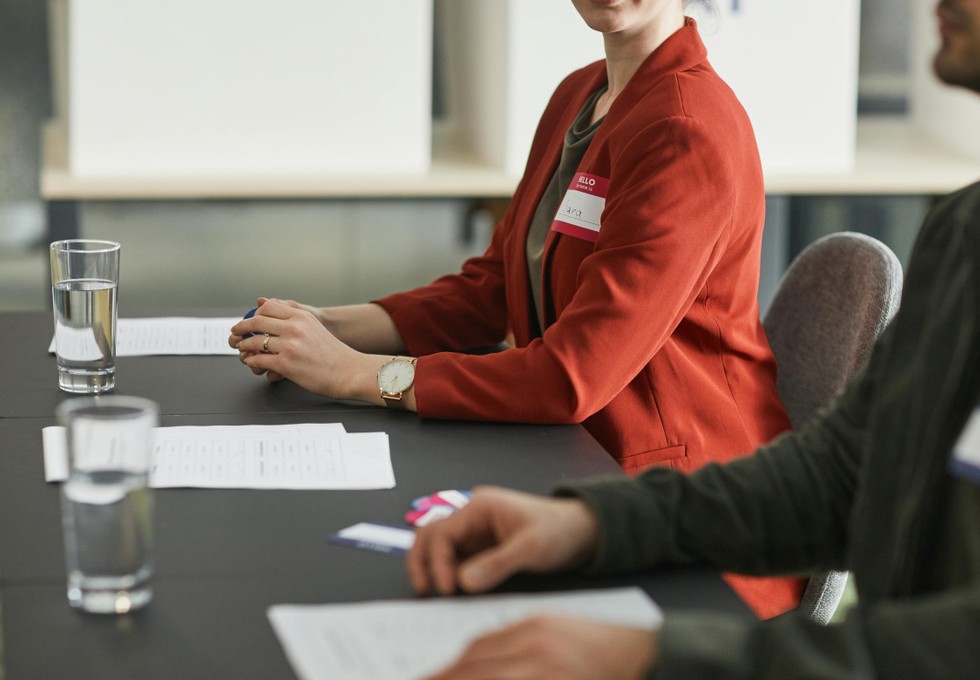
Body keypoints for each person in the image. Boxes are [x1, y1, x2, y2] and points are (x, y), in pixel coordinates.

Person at [405, 1, 980, 676]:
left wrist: (648, 655)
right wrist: (591, 523)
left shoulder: (686, 120)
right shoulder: (963, 230)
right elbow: (843, 473)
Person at [232, 0, 799, 616]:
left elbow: (570, 376)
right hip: (572, 463)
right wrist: (324, 327)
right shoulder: (579, 95)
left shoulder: (686, 131)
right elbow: (492, 289)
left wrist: (355, 373)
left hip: (686, 518)